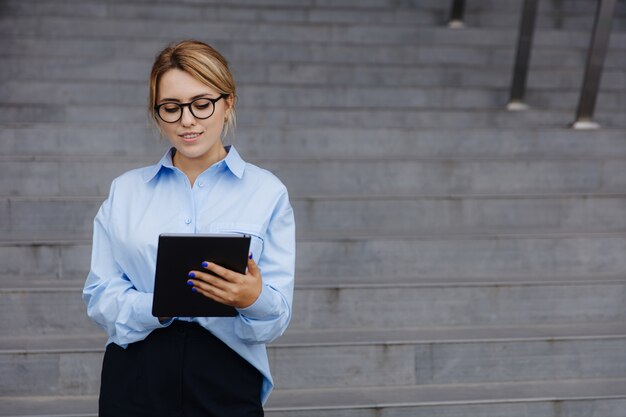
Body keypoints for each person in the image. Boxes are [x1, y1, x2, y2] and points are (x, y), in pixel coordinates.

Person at [82, 39, 295, 417]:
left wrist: (252, 298)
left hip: (227, 375)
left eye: (201, 103)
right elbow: (100, 297)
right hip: (136, 374)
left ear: (228, 103)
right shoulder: (126, 191)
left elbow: (275, 317)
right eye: (171, 107)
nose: (187, 120)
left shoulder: (267, 192)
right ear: (156, 113)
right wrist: (160, 305)